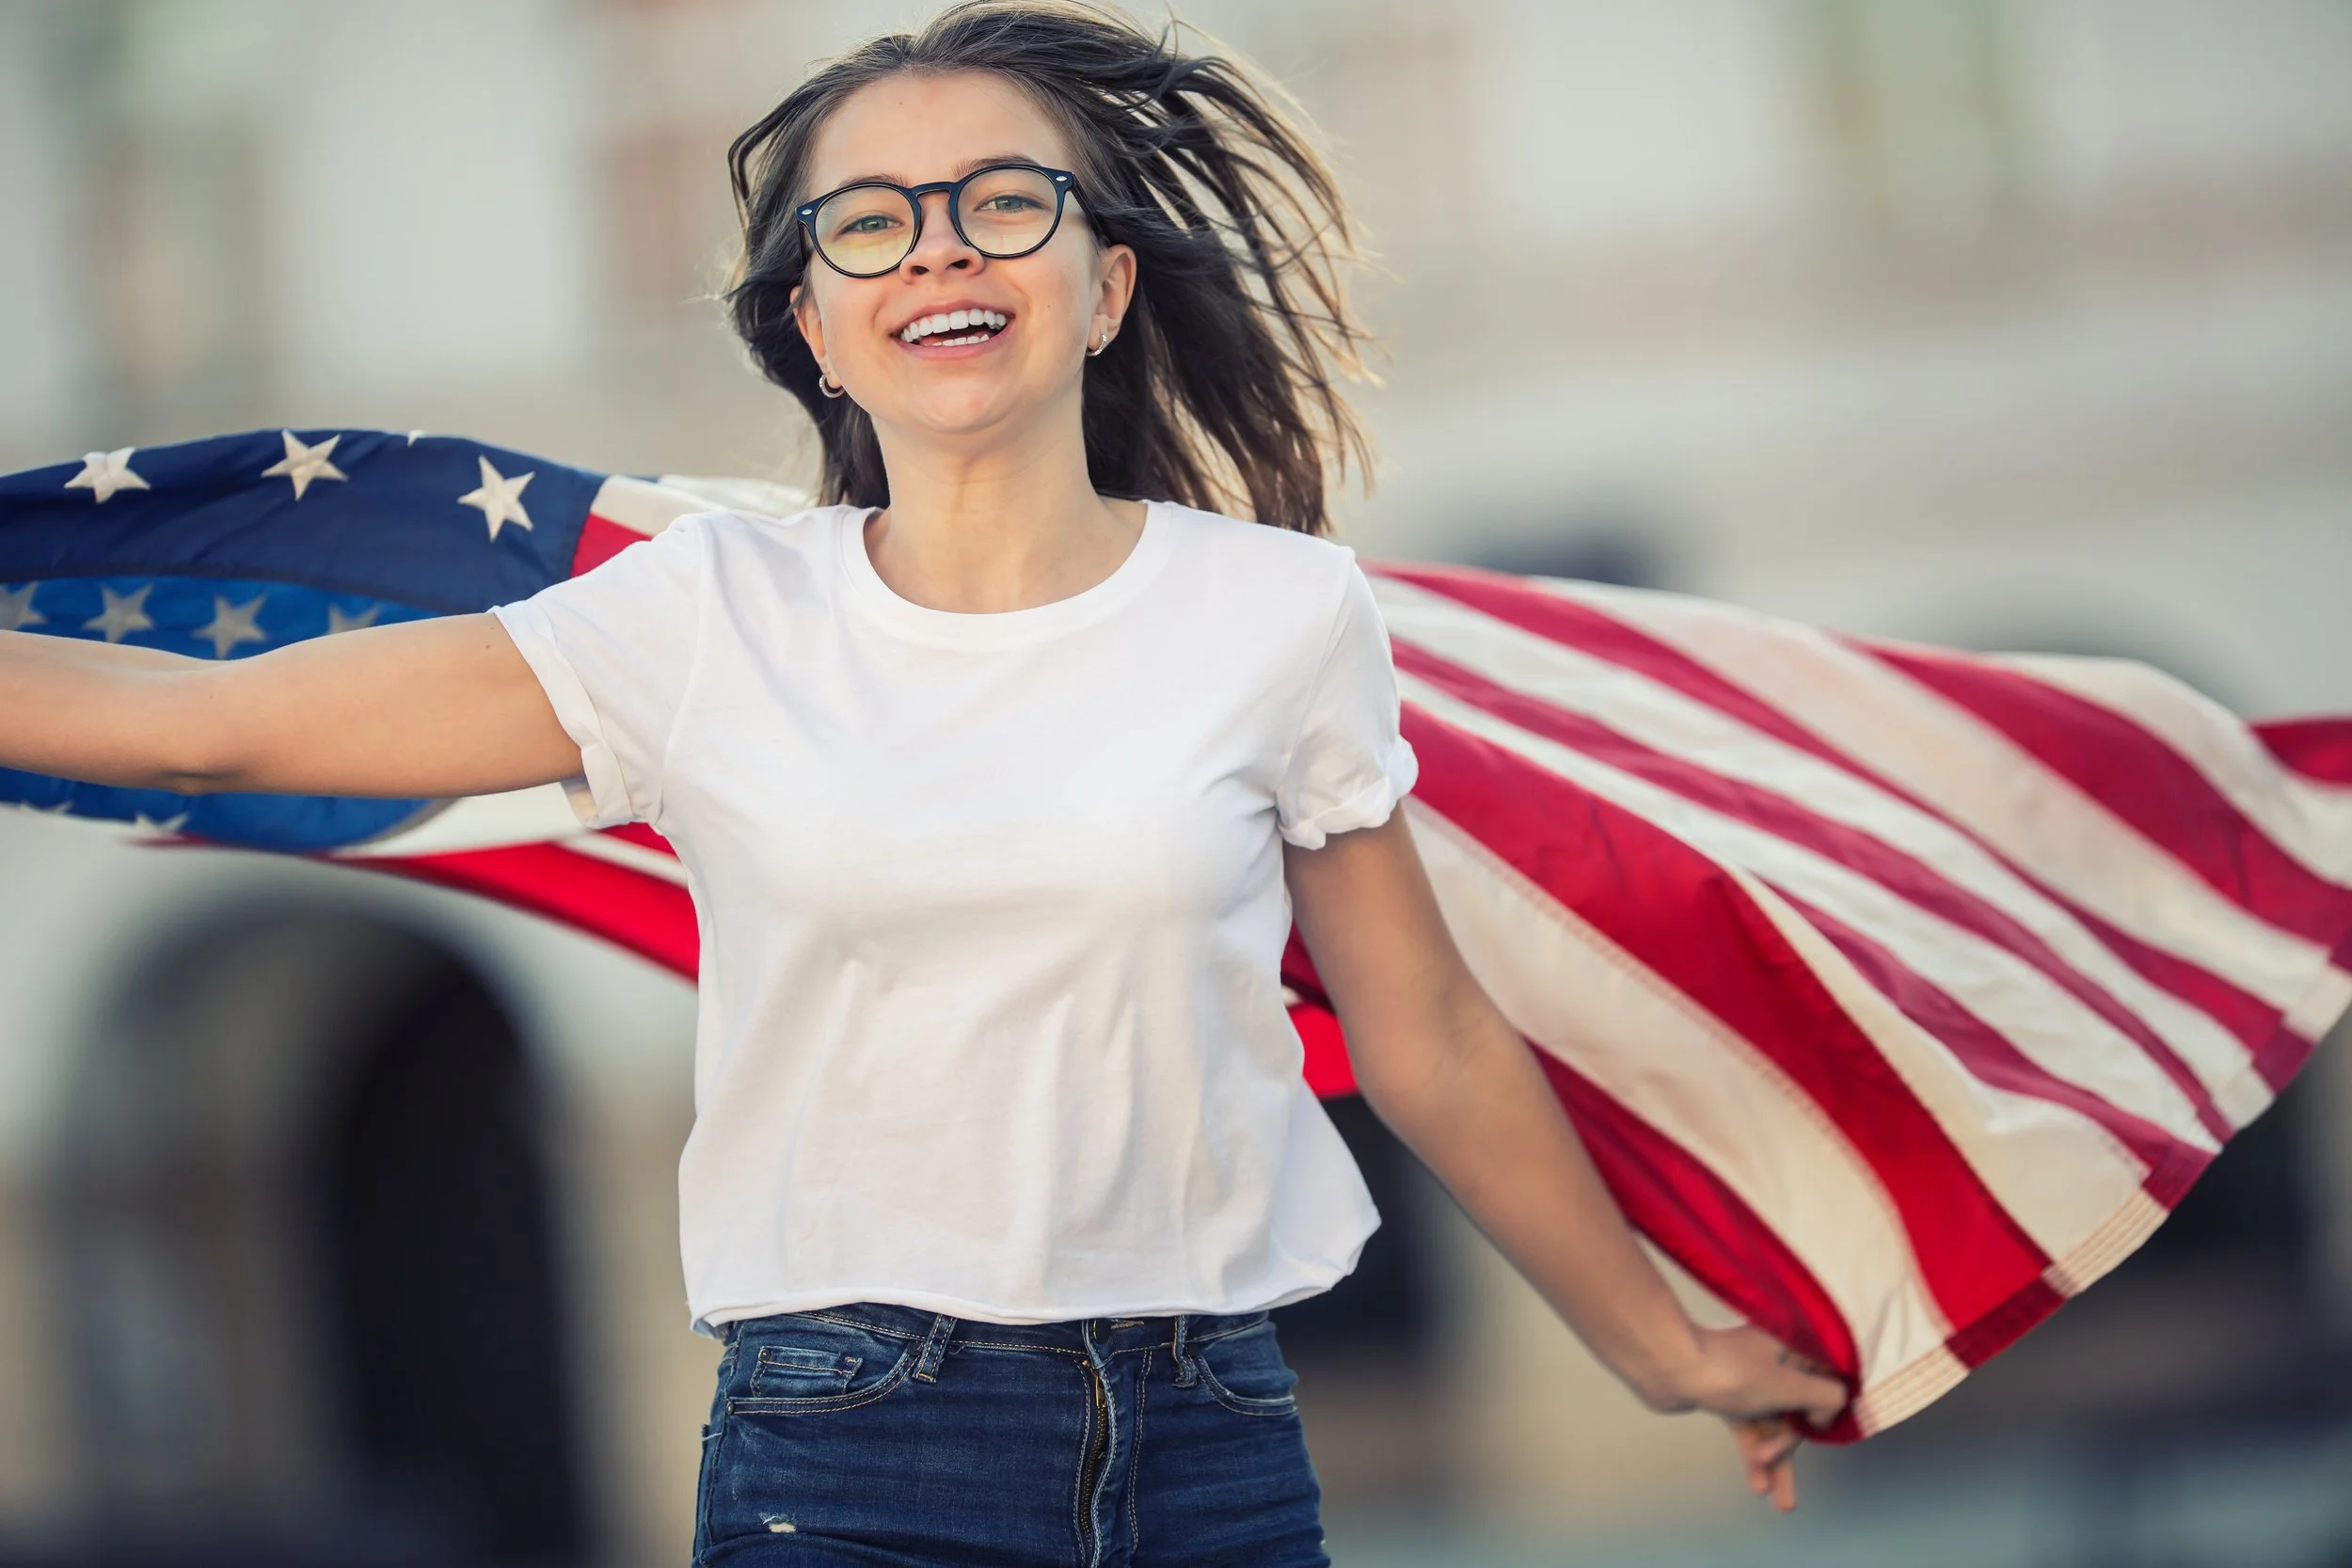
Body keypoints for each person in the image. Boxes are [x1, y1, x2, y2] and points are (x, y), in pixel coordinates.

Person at [0, 3, 1845, 1561]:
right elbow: (204, 723)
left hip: (1214, 1430)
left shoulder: (1277, 617)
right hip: (855, 1443)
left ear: (1103, 281)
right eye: (867, 222)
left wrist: (1660, 1347)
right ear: (811, 317)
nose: (939, 248)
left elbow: (1427, 1032)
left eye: (997, 202)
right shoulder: (706, 619)